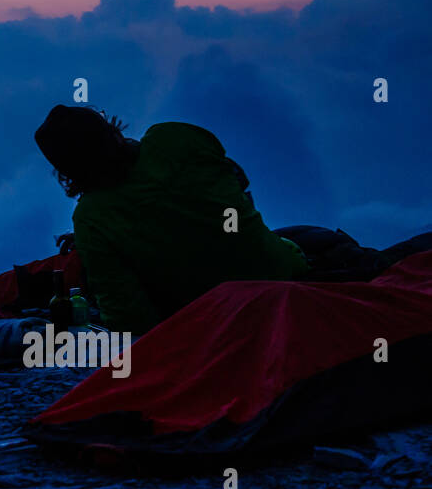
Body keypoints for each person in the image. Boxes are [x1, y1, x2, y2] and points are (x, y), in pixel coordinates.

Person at [34, 105, 308, 335]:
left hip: (215, 318)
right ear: (112, 129)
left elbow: (129, 318)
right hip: (282, 272)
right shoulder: (175, 136)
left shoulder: (92, 219)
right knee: (309, 237)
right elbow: (237, 184)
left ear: (67, 172)